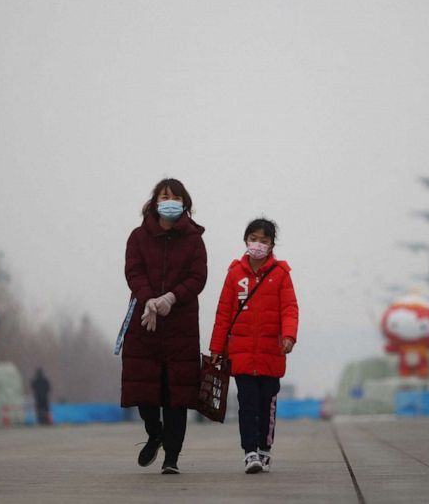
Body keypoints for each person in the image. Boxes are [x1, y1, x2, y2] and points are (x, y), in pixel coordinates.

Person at [121, 178, 208, 475]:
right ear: (155, 201)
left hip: (180, 327)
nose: (169, 200)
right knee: (144, 390)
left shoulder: (194, 239)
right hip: (146, 323)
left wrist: (172, 297)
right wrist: (149, 300)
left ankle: (172, 456)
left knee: (176, 394)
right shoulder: (138, 237)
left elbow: (198, 277)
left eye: (175, 196)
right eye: (164, 196)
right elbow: (133, 271)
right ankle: (154, 432)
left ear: (185, 202)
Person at [209, 218, 299, 474]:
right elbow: (223, 314)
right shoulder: (235, 274)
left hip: (272, 353)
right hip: (242, 355)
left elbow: (290, 308)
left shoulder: (281, 274)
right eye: (254, 238)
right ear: (246, 240)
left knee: (266, 404)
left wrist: (289, 336)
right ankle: (250, 452)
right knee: (247, 404)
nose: (258, 244)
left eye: (264, 240)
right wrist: (216, 349)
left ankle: (264, 449)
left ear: (272, 245)